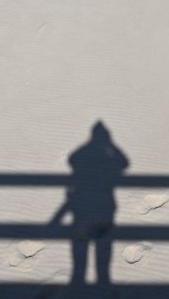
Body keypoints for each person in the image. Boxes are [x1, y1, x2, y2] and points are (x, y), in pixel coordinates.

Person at [50, 121, 129, 286]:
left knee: (81, 247)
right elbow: (124, 163)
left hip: (81, 207)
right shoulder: (109, 160)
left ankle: (79, 283)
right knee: (102, 248)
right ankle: (102, 283)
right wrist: (112, 145)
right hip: (103, 208)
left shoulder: (82, 157)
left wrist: (89, 143)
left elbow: (71, 159)